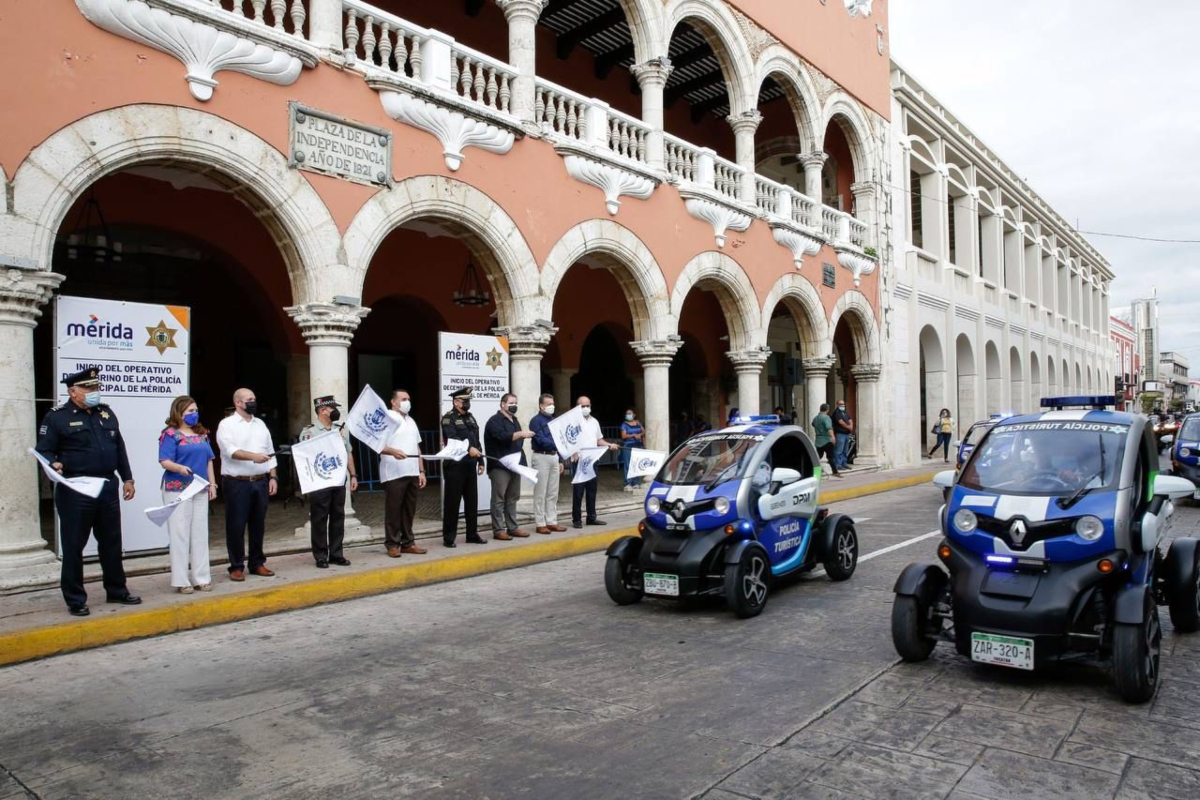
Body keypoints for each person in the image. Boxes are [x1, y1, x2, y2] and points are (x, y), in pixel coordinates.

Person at [36, 368, 141, 616]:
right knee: (74, 545)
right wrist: (54, 463)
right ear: (73, 392)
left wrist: (127, 478)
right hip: (76, 489)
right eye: (88, 389)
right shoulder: (57, 418)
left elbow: (119, 447)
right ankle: (75, 598)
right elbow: (45, 451)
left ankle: (116, 590)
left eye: (96, 387)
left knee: (112, 542)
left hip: (106, 486)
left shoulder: (105, 412)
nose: (95, 392)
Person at [215, 387, 277, 581]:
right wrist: (254, 457)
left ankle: (257, 562)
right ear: (238, 402)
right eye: (249, 399)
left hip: (260, 481)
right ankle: (236, 566)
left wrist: (273, 477)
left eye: (254, 399)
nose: (253, 402)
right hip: (236, 483)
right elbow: (230, 451)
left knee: (258, 524)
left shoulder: (260, 424)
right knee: (236, 525)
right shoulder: (227, 425)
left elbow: (270, 452)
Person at [157, 395, 216, 594]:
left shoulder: (201, 433)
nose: (194, 414)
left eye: (196, 410)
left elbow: (209, 460)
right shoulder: (170, 434)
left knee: (200, 533)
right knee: (180, 533)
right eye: (190, 411)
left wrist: (213, 484)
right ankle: (182, 580)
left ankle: (202, 577)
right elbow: (164, 460)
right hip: (177, 488)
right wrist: (180, 468)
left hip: (199, 487)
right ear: (179, 412)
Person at [298, 396, 358, 569]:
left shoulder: (340, 430)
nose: (335, 411)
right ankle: (321, 555)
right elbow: (306, 456)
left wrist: (353, 475)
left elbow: (348, 453)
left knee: (338, 517)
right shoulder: (310, 432)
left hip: (338, 480)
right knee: (319, 519)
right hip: (320, 482)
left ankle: (336, 554)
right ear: (323, 410)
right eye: (332, 408)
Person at [380, 389, 427, 558]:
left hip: (412, 471)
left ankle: (408, 542)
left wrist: (421, 471)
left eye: (408, 398)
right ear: (393, 402)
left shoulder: (411, 421)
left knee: (409, 510)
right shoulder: (386, 418)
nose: (407, 401)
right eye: (403, 399)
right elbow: (376, 445)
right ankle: (392, 544)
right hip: (393, 472)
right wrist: (392, 451)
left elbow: (417, 447)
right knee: (394, 510)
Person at [484, 393, 535, 540]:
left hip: (515, 465)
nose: (514, 405)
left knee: (513, 497)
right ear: (502, 404)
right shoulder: (494, 421)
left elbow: (518, 445)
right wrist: (519, 434)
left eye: (516, 403)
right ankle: (498, 529)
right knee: (498, 498)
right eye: (511, 403)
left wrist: (523, 464)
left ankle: (512, 527)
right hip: (500, 465)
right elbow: (502, 437)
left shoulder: (515, 420)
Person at [440, 387, 485, 547]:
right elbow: (453, 439)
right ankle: (449, 538)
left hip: (470, 465)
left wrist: (481, 461)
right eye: (465, 401)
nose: (468, 403)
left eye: (468, 400)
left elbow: (476, 441)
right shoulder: (448, 418)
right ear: (456, 402)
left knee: (472, 502)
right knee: (452, 503)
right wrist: (468, 450)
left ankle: (472, 534)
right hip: (455, 465)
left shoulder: (471, 418)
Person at [571, 395, 620, 529]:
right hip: (579, 461)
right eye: (583, 406)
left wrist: (609, 445)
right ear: (577, 407)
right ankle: (576, 519)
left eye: (588, 405)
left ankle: (591, 517)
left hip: (593, 461)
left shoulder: (594, 422)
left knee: (592, 491)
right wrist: (573, 452)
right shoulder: (573, 422)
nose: (586, 408)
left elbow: (599, 440)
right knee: (578, 491)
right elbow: (567, 440)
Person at [528, 393, 566, 535]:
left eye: (552, 403)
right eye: (548, 404)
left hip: (554, 456)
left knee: (553, 492)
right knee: (540, 492)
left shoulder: (554, 420)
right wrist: (556, 445)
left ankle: (552, 521)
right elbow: (540, 439)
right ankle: (540, 523)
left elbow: (561, 440)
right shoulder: (535, 421)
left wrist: (561, 459)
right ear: (541, 406)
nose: (552, 406)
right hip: (541, 456)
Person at [812, 403, 841, 478]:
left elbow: (813, 424)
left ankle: (815, 473)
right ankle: (835, 472)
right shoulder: (826, 418)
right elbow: (829, 428)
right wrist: (833, 437)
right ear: (827, 410)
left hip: (818, 440)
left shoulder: (816, 418)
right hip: (827, 440)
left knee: (817, 458)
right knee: (830, 457)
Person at [619, 408, 645, 491]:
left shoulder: (638, 422)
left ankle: (635, 482)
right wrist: (634, 435)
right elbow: (623, 436)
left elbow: (644, 432)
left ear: (634, 415)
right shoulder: (624, 424)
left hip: (638, 445)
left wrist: (640, 435)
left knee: (636, 464)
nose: (628, 415)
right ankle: (627, 483)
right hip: (628, 446)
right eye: (627, 413)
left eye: (629, 413)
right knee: (628, 464)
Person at [832, 399, 854, 470]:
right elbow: (840, 422)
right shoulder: (836, 413)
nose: (842, 406)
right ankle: (838, 464)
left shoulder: (845, 412)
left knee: (845, 450)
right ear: (837, 405)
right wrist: (848, 427)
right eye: (841, 404)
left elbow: (850, 419)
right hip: (840, 434)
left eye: (843, 404)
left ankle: (844, 463)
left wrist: (851, 426)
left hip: (846, 434)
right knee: (839, 450)